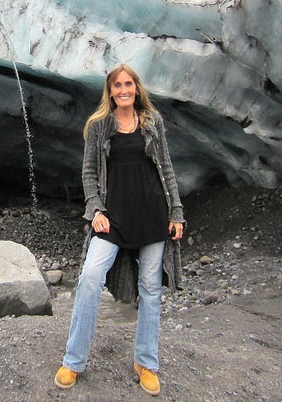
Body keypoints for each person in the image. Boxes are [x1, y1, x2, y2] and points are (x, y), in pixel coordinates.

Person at [54, 64, 185, 396]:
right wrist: (95, 209)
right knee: (89, 279)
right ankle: (73, 360)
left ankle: (146, 363)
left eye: (129, 84)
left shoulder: (153, 124)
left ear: (136, 88)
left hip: (153, 214)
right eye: (118, 85)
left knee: (151, 289)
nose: (124, 89)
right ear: (110, 91)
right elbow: (89, 175)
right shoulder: (99, 127)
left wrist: (177, 214)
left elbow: (166, 170)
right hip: (112, 218)